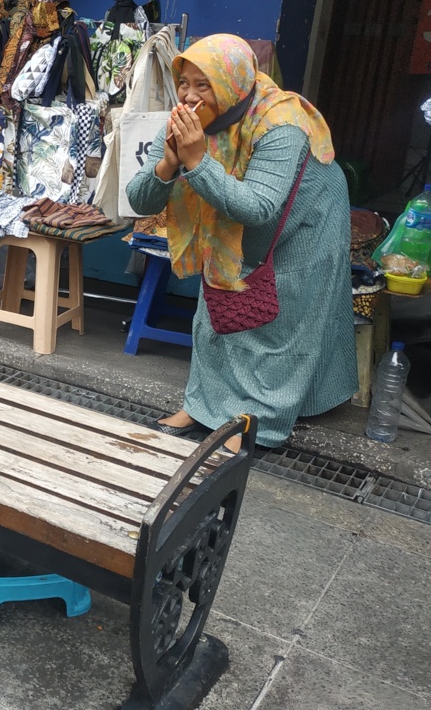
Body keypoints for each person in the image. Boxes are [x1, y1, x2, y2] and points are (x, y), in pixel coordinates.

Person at [126, 33, 356, 450]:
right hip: (231, 214)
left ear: (232, 83)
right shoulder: (187, 121)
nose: (190, 95)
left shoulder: (281, 123)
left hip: (306, 217)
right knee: (217, 304)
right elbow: (139, 199)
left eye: (203, 84)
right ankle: (201, 407)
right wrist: (168, 162)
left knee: (281, 316)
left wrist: (196, 161)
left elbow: (259, 207)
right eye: (184, 82)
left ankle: (257, 420)